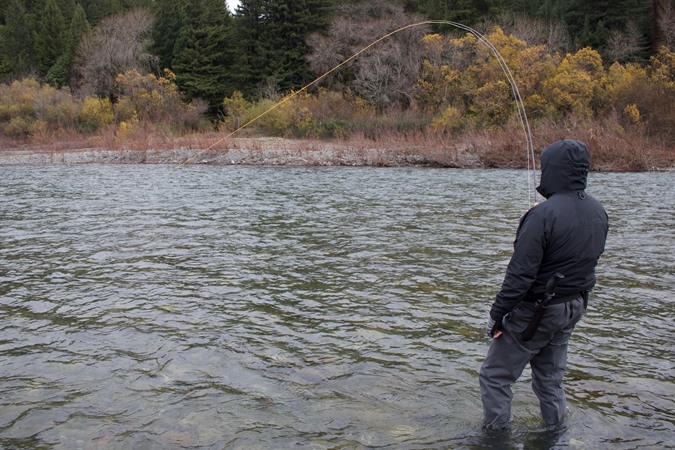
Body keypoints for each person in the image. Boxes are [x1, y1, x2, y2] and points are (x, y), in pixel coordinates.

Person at [479, 139, 609, 430]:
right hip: (573, 307)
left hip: (537, 313)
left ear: (552, 170)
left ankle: (494, 440)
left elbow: (519, 277)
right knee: (550, 381)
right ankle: (556, 435)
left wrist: (496, 314)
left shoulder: (542, 215)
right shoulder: (598, 211)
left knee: (495, 377)